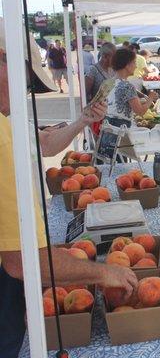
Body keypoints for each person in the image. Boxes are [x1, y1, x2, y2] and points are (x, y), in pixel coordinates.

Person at [0, 20, 138, 357]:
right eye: (23, 80)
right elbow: (21, 261)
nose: (25, 91)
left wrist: (80, 120)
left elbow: (45, 144)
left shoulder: (6, 119)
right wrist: (102, 273)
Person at [106, 48, 158, 127]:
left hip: (108, 126)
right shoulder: (127, 86)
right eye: (134, 62)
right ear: (127, 65)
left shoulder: (109, 82)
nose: (136, 66)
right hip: (120, 130)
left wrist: (142, 99)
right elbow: (140, 112)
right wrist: (150, 98)